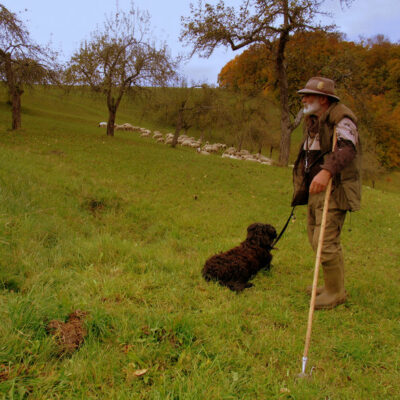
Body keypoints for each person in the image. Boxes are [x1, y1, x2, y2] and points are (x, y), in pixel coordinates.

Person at [292, 77, 361, 310]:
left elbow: (347, 149)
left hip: (334, 188)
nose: (303, 99)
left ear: (323, 99)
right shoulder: (314, 120)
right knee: (315, 237)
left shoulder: (342, 118)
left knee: (326, 241)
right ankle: (332, 285)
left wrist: (326, 173)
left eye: (308, 95)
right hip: (315, 191)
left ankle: (335, 292)